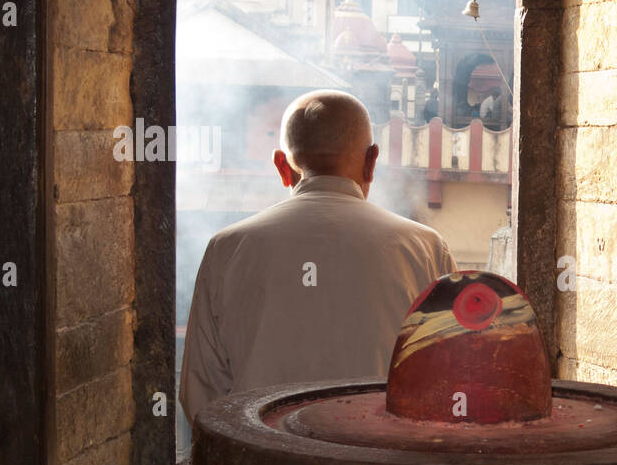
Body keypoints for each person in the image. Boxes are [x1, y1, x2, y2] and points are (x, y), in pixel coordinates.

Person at [179, 89, 456, 423]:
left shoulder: (227, 248)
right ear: (371, 162)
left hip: (260, 464)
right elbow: (450, 379)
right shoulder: (425, 249)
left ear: (282, 166)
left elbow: (200, 397)